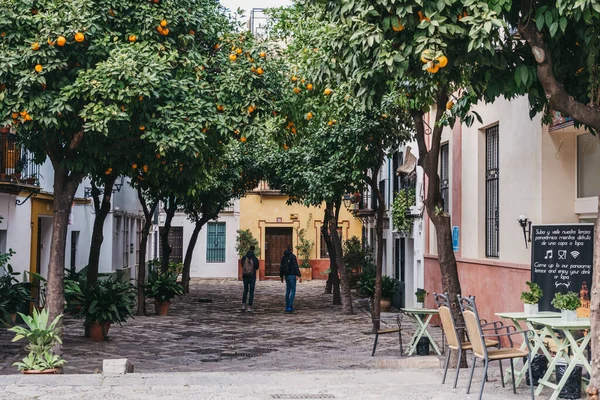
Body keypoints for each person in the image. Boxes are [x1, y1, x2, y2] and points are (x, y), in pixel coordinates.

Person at [280, 245, 302, 312]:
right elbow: (295, 266)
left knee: (288, 290)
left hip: (286, 276)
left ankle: (287, 306)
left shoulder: (284, 257)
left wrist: (281, 276)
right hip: (292, 275)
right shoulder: (293, 257)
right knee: (293, 291)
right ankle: (290, 306)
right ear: (291, 249)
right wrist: (299, 275)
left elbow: (281, 267)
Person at [241, 246, 259, 312]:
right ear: (254, 250)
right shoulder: (255, 259)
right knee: (251, 292)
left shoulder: (243, 258)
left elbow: (242, 265)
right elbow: (257, 267)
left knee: (245, 290)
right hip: (252, 276)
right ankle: (249, 306)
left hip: (245, 276)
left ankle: (243, 305)